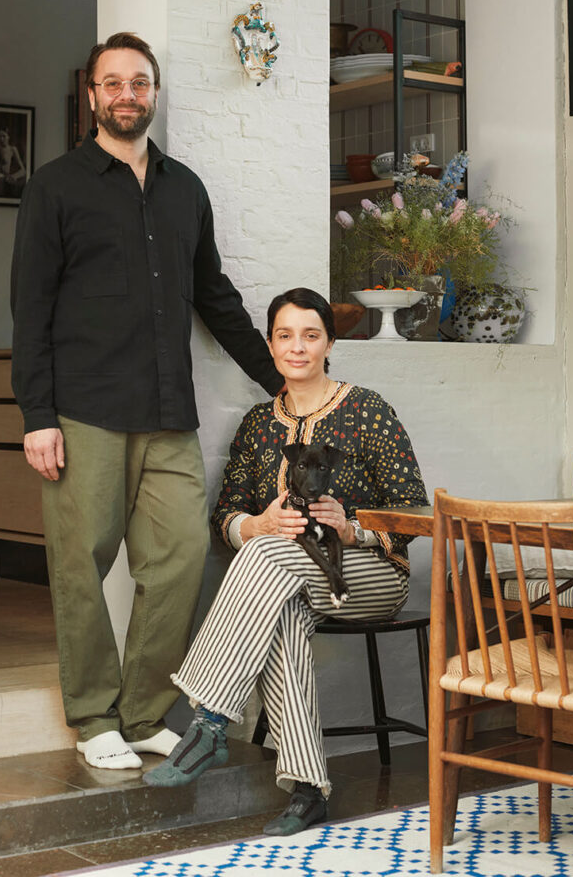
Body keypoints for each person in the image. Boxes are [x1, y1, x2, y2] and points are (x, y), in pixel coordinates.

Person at [10, 32, 283, 770]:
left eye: (139, 82)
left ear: (153, 94)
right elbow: (29, 309)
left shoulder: (184, 188)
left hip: (168, 414)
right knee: (80, 564)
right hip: (84, 409)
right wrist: (35, 415)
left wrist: (279, 380)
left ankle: (142, 710)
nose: (126, 94)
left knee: (181, 558)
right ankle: (93, 714)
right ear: (92, 95)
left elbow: (214, 298)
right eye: (113, 83)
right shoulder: (56, 186)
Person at [145, 287, 429, 835]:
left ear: (328, 343)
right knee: (281, 602)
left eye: (310, 335)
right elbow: (226, 515)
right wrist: (257, 524)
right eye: (284, 336)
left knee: (268, 558)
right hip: (291, 582)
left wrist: (353, 528)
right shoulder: (257, 425)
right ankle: (307, 789)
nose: (297, 347)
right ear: (271, 346)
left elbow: (414, 509)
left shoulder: (366, 409)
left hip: (368, 574)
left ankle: (207, 722)